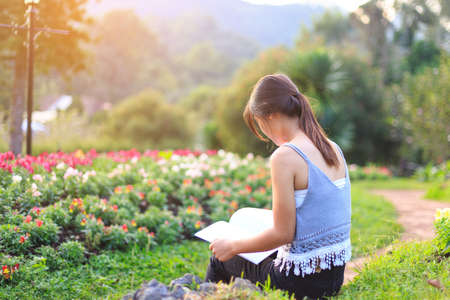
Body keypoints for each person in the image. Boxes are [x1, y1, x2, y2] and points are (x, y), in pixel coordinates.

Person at [205, 73, 352, 300]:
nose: (263, 131)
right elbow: (316, 210)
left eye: (259, 124)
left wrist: (233, 246)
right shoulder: (333, 148)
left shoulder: (285, 156)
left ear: (270, 116)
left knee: (220, 259)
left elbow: (283, 234)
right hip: (332, 278)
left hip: (299, 282)